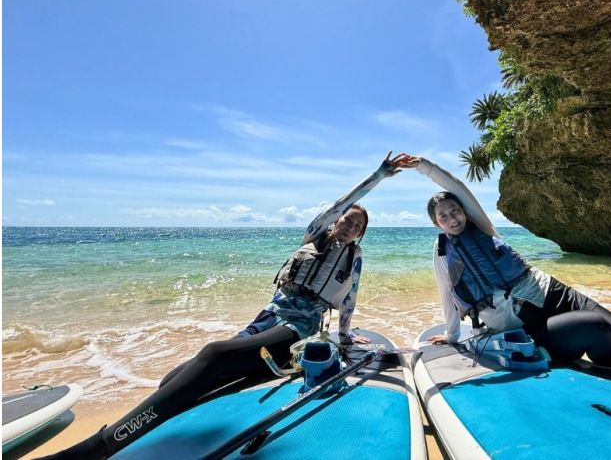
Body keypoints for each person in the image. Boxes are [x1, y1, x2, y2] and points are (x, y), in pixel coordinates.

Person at [41, 153, 406, 460]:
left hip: (297, 331)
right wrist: (378, 176)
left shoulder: (353, 260)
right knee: (179, 375)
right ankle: (148, 431)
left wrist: (344, 337)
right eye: (347, 219)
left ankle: (97, 447)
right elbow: (339, 204)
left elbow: (349, 301)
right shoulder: (314, 234)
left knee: (215, 354)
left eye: (356, 225)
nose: (348, 224)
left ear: (360, 234)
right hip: (267, 318)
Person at [396, 154, 611, 371]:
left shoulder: (482, 226)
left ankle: (610, 367)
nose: (452, 218)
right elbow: (448, 294)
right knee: (596, 327)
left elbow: (459, 188)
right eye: (444, 216)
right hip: (527, 322)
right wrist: (452, 336)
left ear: (464, 212)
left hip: (556, 294)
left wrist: (423, 165)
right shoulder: (442, 251)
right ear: (436, 223)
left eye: (455, 210)